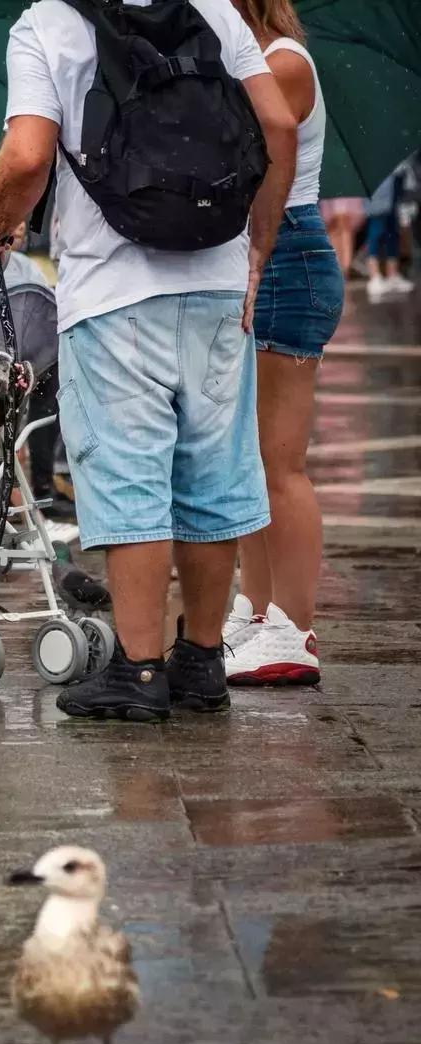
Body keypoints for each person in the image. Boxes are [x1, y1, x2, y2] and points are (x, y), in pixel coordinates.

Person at [0, 0, 297, 722]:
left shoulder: (48, 23)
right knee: (210, 474)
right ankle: (203, 662)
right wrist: (257, 252)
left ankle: (139, 671)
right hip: (216, 285)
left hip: (113, 291)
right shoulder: (215, 8)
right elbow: (278, 124)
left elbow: (26, 154)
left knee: (130, 477)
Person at [223, 0, 344, 687]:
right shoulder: (257, 62)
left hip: (288, 259)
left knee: (279, 461)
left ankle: (295, 628)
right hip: (265, 263)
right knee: (249, 460)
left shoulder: (283, 67)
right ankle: (259, 607)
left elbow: (236, 152)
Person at [364, 160, 416, 300]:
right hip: (381, 177)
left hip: (398, 174)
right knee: (376, 227)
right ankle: (374, 276)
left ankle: (392, 274)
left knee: (392, 229)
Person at [319, 197, 364, 277]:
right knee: (340, 231)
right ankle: (341, 269)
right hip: (338, 199)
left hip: (337, 199)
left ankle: (341, 269)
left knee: (341, 231)